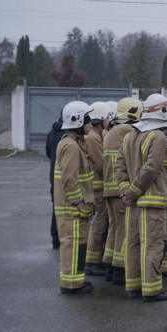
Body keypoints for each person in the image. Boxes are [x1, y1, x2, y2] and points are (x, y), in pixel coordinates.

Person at [115, 93, 167, 302]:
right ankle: (151, 290)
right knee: (153, 246)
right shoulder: (157, 137)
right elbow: (151, 169)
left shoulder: (129, 136)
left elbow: (119, 167)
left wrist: (125, 192)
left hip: (132, 204)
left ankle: (133, 286)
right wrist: (132, 192)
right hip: (152, 203)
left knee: (133, 244)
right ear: (163, 112)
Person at [54, 101, 95, 294]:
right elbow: (70, 179)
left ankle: (76, 282)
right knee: (72, 246)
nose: (90, 125)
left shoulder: (75, 143)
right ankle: (71, 285)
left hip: (74, 209)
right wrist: (79, 203)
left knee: (78, 246)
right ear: (77, 121)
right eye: (87, 120)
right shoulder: (70, 146)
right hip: (72, 210)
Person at [102, 97, 142, 286]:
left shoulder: (112, 130)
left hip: (110, 189)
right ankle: (120, 269)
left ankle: (110, 267)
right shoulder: (128, 130)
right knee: (125, 231)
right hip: (121, 189)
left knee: (115, 229)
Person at [84, 102, 114, 277]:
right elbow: (101, 163)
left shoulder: (94, 136)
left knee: (99, 224)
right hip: (97, 189)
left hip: (96, 188)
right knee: (99, 224)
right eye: (107, 117)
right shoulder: (94, 138)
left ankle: (93, 259)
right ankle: (92, 261)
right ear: (101, 118)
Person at [46, 117, 65, 249]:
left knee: (56, 208)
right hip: (64, 176)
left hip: (54, 176)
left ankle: (55, 239)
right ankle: (62, 238)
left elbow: (48, 152)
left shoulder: (51, 132)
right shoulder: (68, 134)